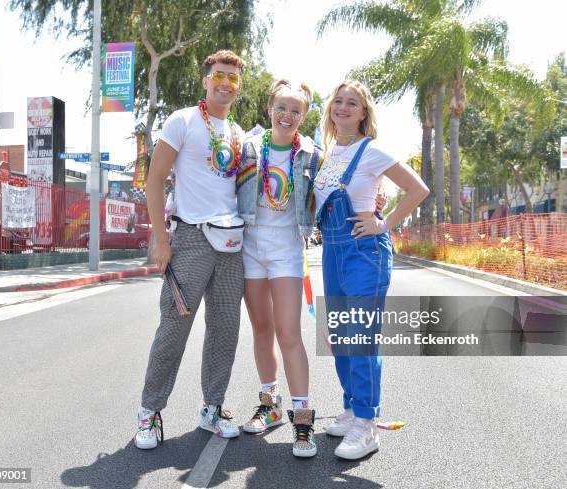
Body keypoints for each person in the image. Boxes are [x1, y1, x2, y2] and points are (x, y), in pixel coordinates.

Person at [134, 50, 246, 449]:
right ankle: (150, 412)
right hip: (191, 239)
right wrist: (162, 239)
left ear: (239, 85)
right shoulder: (182, 120)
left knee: (225, 331)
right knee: (174, 329)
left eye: (233, 78)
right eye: (219, 75)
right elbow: (155, 180)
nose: (225, 83)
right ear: (206, 79)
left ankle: (212, 408)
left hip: (232, 244)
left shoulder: (237, 132)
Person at [313, 80, 429, 460]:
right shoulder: (329, 153)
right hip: (332, 249)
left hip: (365, 251)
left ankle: (366, 425)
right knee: (339, 334)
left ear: (364, 113)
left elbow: (417, 189)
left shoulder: (373, 150)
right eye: (339, 102)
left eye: (352, 104)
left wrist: (383, 223)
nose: (343, 108)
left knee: (361, 335)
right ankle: (350, 409)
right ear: (331, 108)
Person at [236, 79, 321, 457]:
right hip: (250, 247)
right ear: (269, 109)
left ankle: (302, 423)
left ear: (304, 115)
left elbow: (334, 191)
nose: (287, 115)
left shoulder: (312, 156)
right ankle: (270, 405)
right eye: (281, 107)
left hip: (287, 250)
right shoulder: (248, 150)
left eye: (296, 110)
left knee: (289, 332)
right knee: (262, 330)